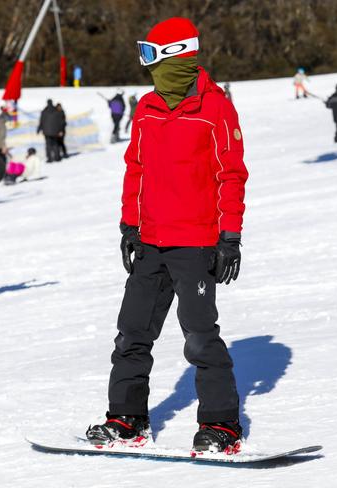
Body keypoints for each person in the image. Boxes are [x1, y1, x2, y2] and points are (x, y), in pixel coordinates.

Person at [85, 17, 248, 454]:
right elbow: (135, 169)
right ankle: (127, 419)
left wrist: (229, 236)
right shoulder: (147, 108)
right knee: (131, 334)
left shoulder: (215, 109)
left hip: (195, 244)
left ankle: (221, 425)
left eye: (151, 56)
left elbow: (231, 175)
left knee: (199, 336)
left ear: (177, 55)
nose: (148, 67)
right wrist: (129, 226)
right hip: (151, 241)